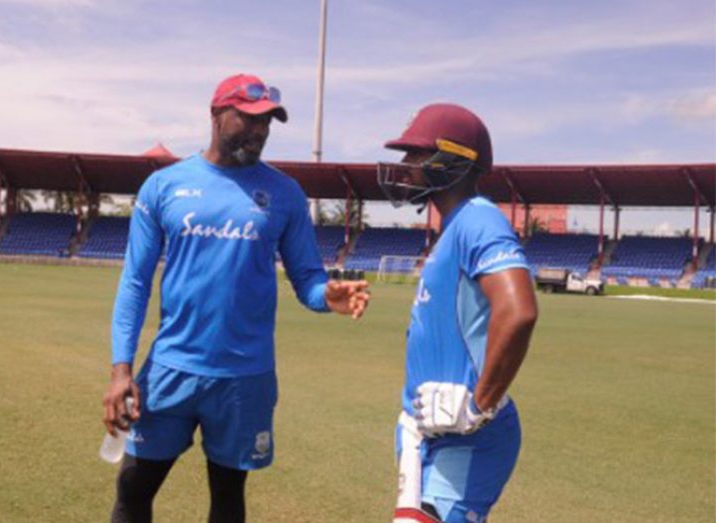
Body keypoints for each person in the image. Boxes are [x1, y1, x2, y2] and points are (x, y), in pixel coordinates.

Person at [102, 73, 370, 523]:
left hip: (245, 379)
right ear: (215, 114)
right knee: (133, 487)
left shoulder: (284, 194)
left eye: (267, 122)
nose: (260, 130)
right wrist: (120, 371)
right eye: (248, 119)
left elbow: (307, 279)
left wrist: (328, 295)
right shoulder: (164, 187)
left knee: (228, 498)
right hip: (171, 369)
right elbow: (135, 283)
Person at [378, 103, 538, 523]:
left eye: (416, 154)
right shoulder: (453, 227)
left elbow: (519, 311)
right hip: (425, 430)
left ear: (453, 159)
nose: (405, 165)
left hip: (467, 437)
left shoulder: (478, 220)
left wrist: (479, 404)